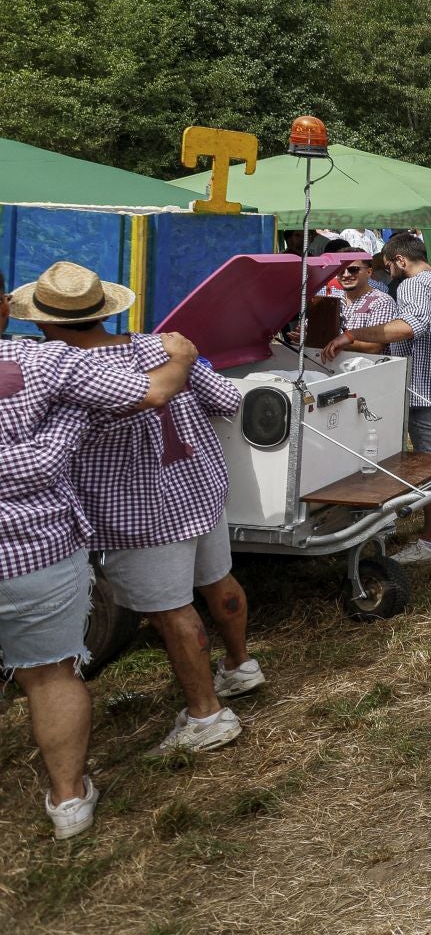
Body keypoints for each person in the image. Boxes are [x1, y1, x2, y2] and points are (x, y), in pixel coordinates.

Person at [2, 266, 201, 838]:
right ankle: (68, 799)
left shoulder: (51, 356)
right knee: (50, 676)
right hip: (34, 548)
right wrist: (183, 356)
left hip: (45, 544)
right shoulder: (45, 363)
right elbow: (160, 391)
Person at [31, 265, 263, 756]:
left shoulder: (65, 373)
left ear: (44, 322)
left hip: (136, 512)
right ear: (103, 310)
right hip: (198, 486)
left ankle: (206, 715)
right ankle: (240, 665)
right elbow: (226, 399)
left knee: (171, 612)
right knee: (217, 580)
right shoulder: (163, 346)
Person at [321, 234, 431, 562]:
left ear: (400, 260)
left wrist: (351, 335)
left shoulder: (414, 284)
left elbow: (411, 326)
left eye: (388, 267)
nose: (389, 274)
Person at [331, 255, 411, 359]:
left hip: (367, 367)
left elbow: (375, 347)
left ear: (369, 272)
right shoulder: (332, 298)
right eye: (340, 270)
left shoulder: (381, 301)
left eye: (353, 269)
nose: (346, 274)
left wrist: (339, 343)